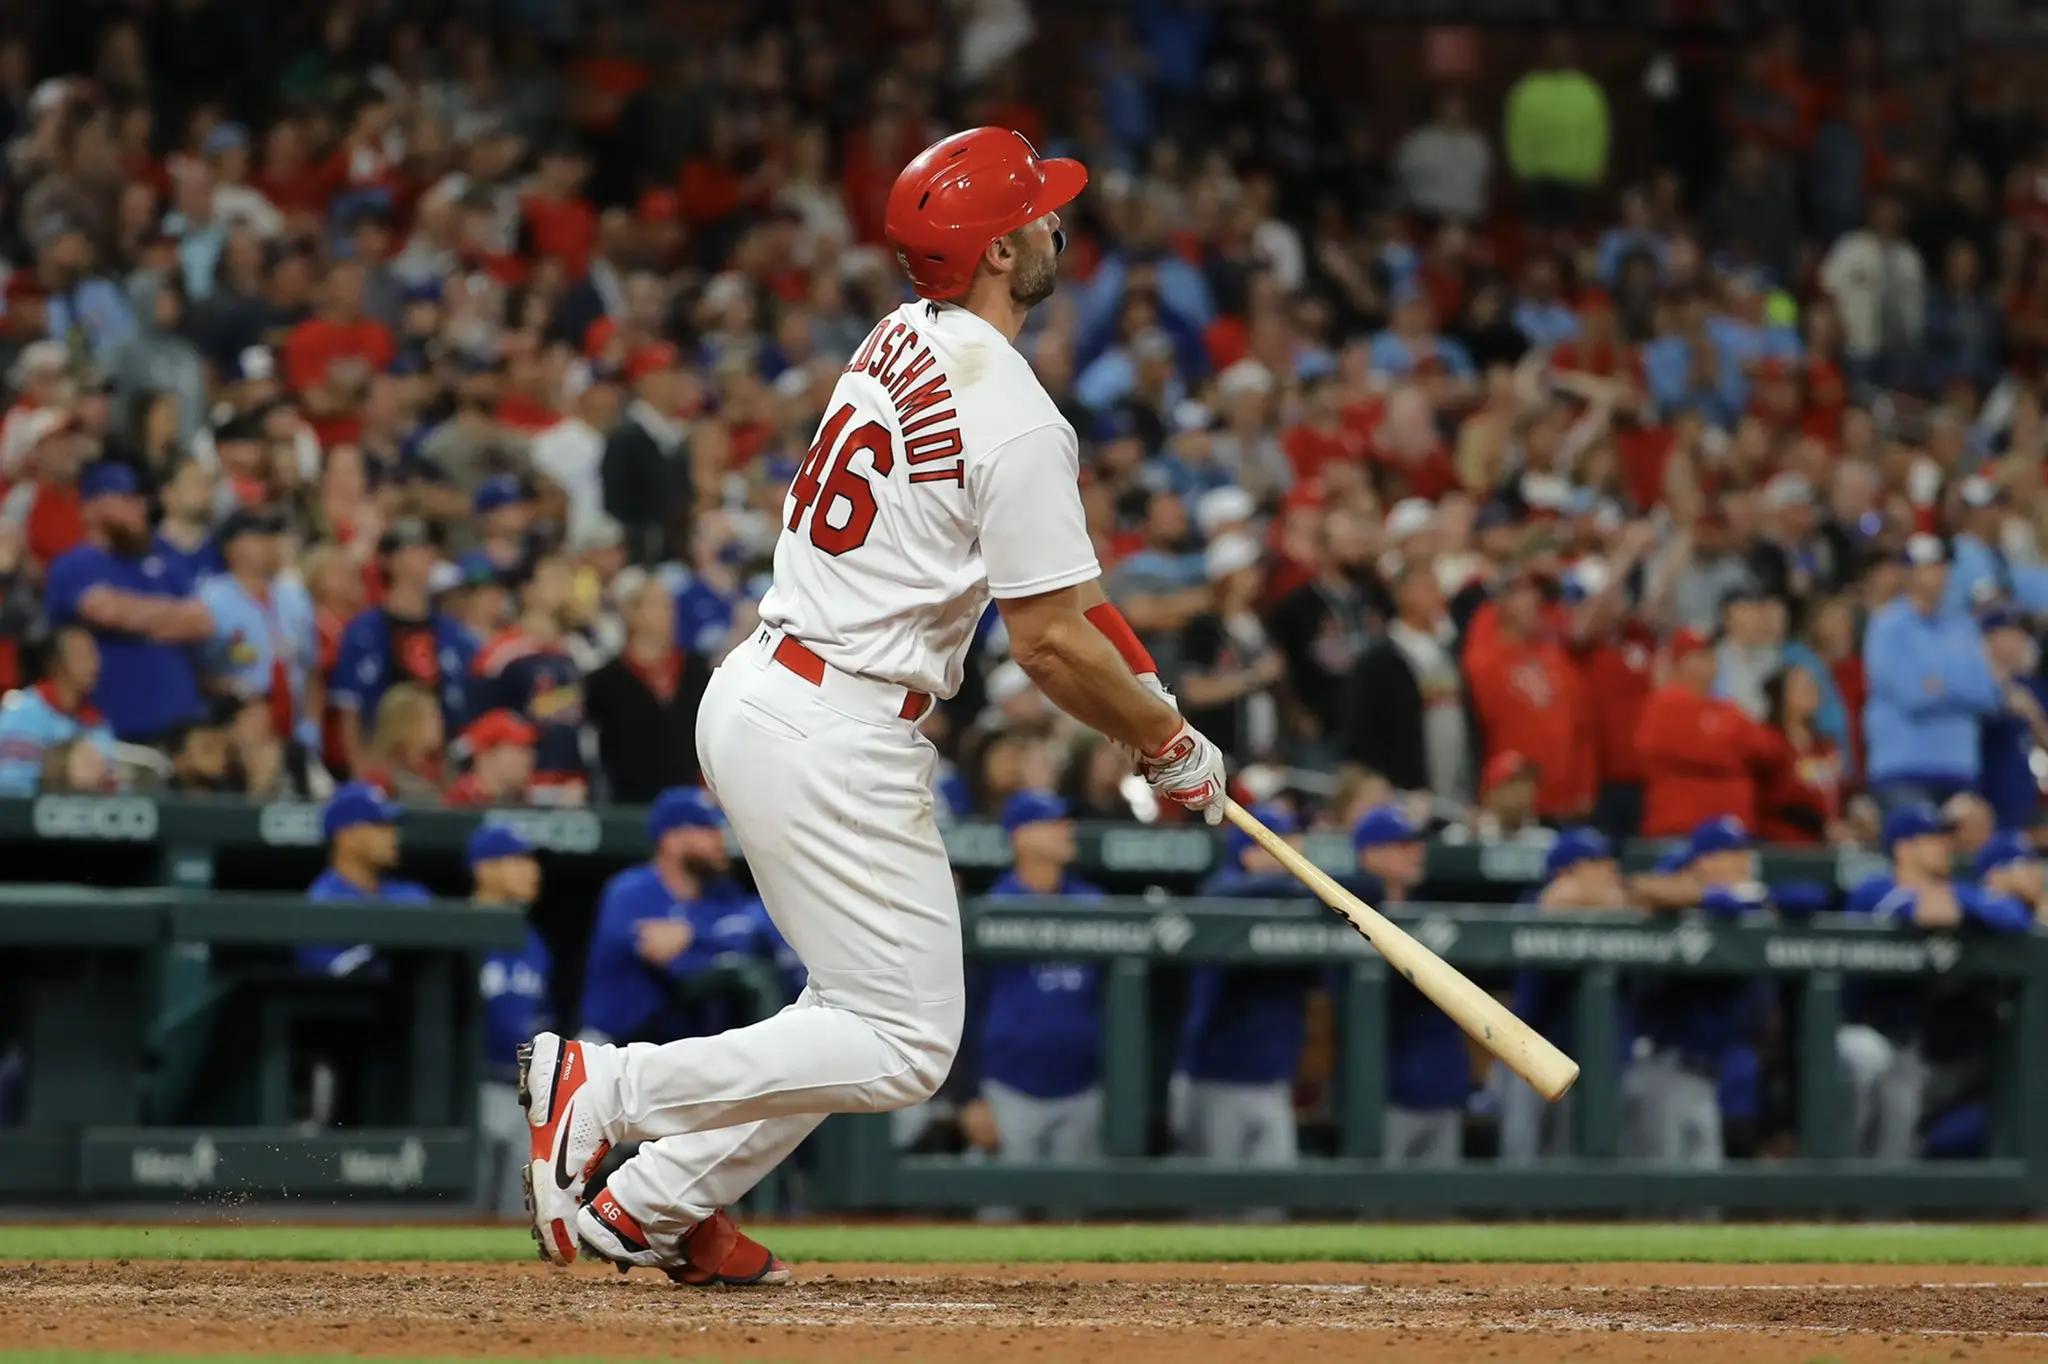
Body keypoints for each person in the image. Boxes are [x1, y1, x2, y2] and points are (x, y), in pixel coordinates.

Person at [520, 128, 1225, 1287]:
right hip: (834, 720)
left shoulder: (902, 332)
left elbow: (1079, 606)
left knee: (849, 1011)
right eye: (1038, 212)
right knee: (904, 1041)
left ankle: (650, 1199)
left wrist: (1161, 717)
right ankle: (604, 1089)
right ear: (998, 250)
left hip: (772, 688)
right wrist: (1157, 739)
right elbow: (1047, 643)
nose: (1057, 222)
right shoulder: (1019, 416)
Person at [1844, 805, 2033, 1160]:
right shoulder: (1872, 888)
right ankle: (1825, 1202)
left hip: (1909, 1042)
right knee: (1863, 1064)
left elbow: (2014, 917)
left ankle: (1880, 1211)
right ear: (1903, 849)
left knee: (1897, 1141)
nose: (1944, 847)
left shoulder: (1952, 888)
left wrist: (1967, 899)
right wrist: (1970, 900)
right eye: (1931, 840)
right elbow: (1929, 912)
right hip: (1857, 1029)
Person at [961, 792, 1104, 1181]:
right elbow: (964, 1010)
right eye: (1052, 822)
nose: (1066, 829)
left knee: (1076, 1225)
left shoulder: (1093, 904)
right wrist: (969, 1096)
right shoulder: (991, 908)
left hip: (1082, 1089)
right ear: (1020, 836)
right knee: (1000, 1221)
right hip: (1008, 1091)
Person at [1171, 801, 1311, 1197]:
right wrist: (1296, 883)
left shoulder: (1293, 899)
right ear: (1250, 852)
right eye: (1282, 844)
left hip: (1271, 1081)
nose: (1297, 852)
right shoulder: (1222, 891)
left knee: (1274, 1207)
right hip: (1215, 1079)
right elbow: (1221, 893)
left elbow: (1362, 886)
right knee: (1213, 1210)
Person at [1621, 817, 1772, 1170]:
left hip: (1706, 1074)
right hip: (1660, 1064)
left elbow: (1800, 897)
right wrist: (1695, 893)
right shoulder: (1672, 876)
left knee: (1701, 1198)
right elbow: (1639, 889)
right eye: (1731, 853)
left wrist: (1714, 895)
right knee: (1659, 1196)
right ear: (1702, 860)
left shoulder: (1744, 901)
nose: (1742, 861)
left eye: (1743, 851)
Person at [43, 462, 211, 744]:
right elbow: (109, 612)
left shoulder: (164, 560)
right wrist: (172, 615)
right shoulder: (73, 565)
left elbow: (202, 622)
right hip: (112, 726)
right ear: (91, 508)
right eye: (125, 499)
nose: (138, 508)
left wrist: (136, 615)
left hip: (183, 727)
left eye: (139, 500)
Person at [579, 788, 758, 1046]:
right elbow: (676, 967)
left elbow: (758, 932)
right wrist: (716, 944)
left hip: (683, 1047)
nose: (720, 839)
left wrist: (691, 935)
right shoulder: (629, 892)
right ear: (671, 840)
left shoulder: (722, 892)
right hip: (613, 1046)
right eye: (707, 830)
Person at [1499, 827, 1627, 1164]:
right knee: (1522, 1161)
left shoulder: (1617, 912)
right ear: (1565, 872)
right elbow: (1555, 899)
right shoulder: (1532, 903)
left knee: (1577, 1164)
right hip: (1527, 1054)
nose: (1610, 869)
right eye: (1596, 862)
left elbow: (1625, 900)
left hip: (1588, 1062)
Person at [1353, 804, 1467, 1166]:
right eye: (1402, 845)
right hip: (1379, 1093)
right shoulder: (1349, 908)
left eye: (1415, 844)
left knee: (1438, 1215)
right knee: (1374, 1211)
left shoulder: (1431, 913)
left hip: (1441, 1087)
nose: (1417, 852)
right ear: (1370, 854)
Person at [1863, 536, 2001, 813]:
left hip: (1960, 770)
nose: (1940, 574)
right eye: (1929, 566)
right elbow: (1913, 696)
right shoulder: (1887, 626)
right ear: (1907, 572)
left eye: (1942, 566)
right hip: (1903, 771)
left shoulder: (1962, 626)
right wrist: (1961, 690)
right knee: (1916, 852)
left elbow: (1988, 693)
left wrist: (1940, 686)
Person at [329, 518, 478, 773]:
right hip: (384, 760)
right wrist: (360, 768)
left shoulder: (453, 632)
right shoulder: (364, 630)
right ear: (390, 559)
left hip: (441, 764)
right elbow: (348, 709)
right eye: (415, 548)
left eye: (428, 548)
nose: (426, 555)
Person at [471, 826, 553, 1217]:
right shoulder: (459, 932)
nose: (532, 871)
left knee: (514, 1218)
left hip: (523, 1091)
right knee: (462, 1214)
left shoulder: (532, 939)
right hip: (471, 1090)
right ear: (483, 869)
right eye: (518, 860)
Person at [199, 507, 322, 766]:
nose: (267, 544)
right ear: (231, 547)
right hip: (240, 725)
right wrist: (231, 691)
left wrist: (311, 723)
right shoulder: (211, 598)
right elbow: (196, 668)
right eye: (257, 536)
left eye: (269, 536)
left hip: (294, 726)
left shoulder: (294, 597)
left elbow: (312, 669)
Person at [585, 569, 712, 802]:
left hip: (690, 802)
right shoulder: (604, 682)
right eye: (656, 604)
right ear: (631, 613)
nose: (668, 613)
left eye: (668, 605)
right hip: (627, 806)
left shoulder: (696, 671)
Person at [1635, 628, 1773, 837]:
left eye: (1711, 653)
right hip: (1681, 833)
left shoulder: (1726, 707)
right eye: (1700, 654)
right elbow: (1703, 750)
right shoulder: (1664, 703)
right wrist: (1733, 754)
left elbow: (1767, 748)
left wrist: (1723, 746)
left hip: (1732, 834)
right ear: (1680, 661)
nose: (1711, 659)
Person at [474, 552, 588, 803]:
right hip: (521, 788)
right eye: (552, 577)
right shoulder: (502, 653)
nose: (562, 584)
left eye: (565, 577)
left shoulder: (573, 651)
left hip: (572, 785)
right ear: (527, 591)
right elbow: (478, 726)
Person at [301, 782, 432, 978]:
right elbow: (339, 980)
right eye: (379, 825)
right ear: (345, 835)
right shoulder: (320, 903)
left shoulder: (414, 895)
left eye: (392, 826)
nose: (393, 835)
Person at [0, 625, 116, 795]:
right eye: (81, 655)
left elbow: (116, 786)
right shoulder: (23, 712)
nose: (94, 663)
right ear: (55, 664)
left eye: (94, 654)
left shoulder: (96, 723)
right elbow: (11, 788)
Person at [445, 708, 539, 807]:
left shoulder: (524, 798)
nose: (528, 758)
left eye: (529, 750)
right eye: (519, 749)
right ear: (487, 754)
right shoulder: (460, 801)